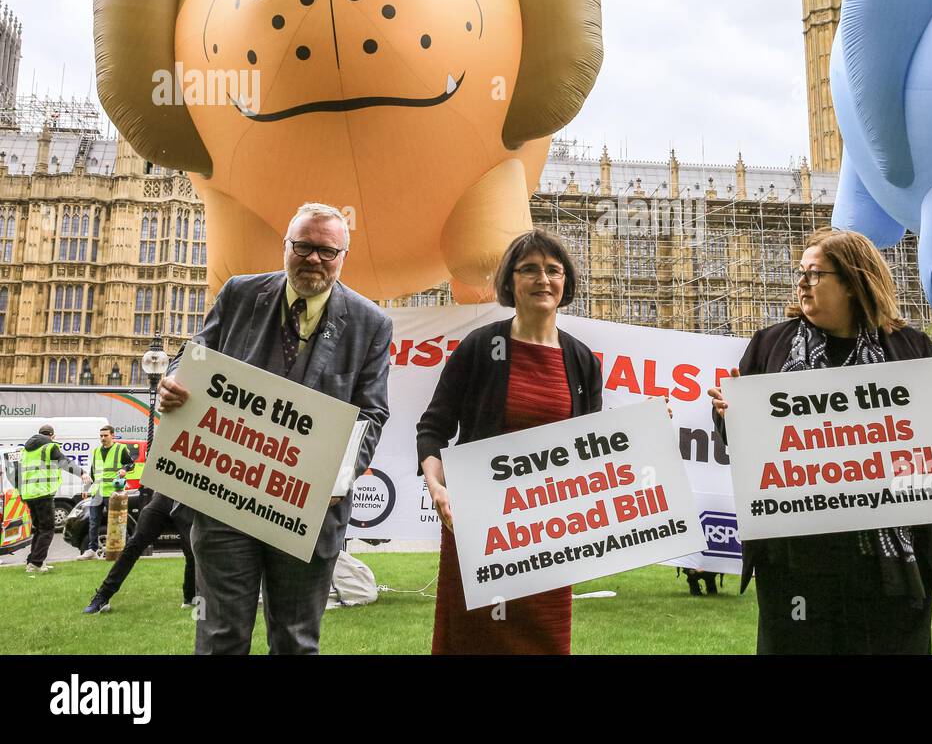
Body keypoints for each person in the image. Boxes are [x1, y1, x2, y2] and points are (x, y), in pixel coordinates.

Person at [707, 227, 932, 655]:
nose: (801, 283)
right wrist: (729, 416)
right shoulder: (770, 345)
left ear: (855, 283)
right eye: (800, 272)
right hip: (797, 562)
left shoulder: (908, 347)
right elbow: (741, 443)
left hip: (889, 562)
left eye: (815, 274)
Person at [157, 202, 392, 654]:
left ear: (343, 255)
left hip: (307, 508)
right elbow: (194, 359)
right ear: (286, 246)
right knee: (220, 637)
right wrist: (175, 383)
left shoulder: (371, 323)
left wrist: (338, 474)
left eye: (327, 251)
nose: (314, 259)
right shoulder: (240, 294)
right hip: (225, 500)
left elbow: (371, 414)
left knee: (296, 641)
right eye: (303, 246)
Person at [416, 230, 602, 655]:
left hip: (550, 533)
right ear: (510, 281)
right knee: (477, 641)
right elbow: (433, 427)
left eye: (553, 270)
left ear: (566, 282)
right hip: (480, 526)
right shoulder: (481, 348)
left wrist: (641, 436)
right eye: (530, 269)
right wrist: (437, 485)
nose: (543, 279)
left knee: (545, 641)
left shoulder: (582, 361)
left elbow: (592, 448)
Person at [81, 491, 195, 614]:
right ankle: (103, 596)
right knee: (133, 545)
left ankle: (191, 597)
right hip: (163, 497)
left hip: (188, 500)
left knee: (193, 550)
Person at [19, 424, 91, 573]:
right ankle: (36, 564)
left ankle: (32, 562)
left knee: (40, 529)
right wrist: (82, 473)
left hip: (29, 494)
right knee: (47, 529)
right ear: (52, 436)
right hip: (43, 493)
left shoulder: (26, 450)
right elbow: (64, 462)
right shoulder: (49, 447)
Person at [82, 425, 134, 559]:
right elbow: (93, 473)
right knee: (93, 522)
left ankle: (124, 549)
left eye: (105, 435)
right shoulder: (96, 451)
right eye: (101, 436)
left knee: (118, 522)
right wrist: (86, 489)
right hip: (98, 492)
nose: (103, 438)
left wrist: (124, 469)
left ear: (112, 435)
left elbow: (131, 464)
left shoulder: (120, 448)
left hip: (113, 492)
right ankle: (92, 550)